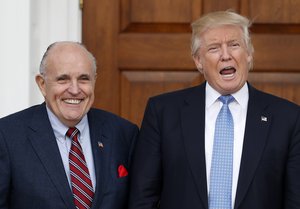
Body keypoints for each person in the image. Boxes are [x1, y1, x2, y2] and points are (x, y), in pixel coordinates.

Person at [129, 11, 300, 209]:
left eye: (234, 45)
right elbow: (142, 197)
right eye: (214, 48)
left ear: (249, 54)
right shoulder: (163, 113)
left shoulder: (288, 118)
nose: (226, 56)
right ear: (198, 61)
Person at [0, 41, 139, 209]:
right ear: (42, 85)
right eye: (63, 79)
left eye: (83, 79)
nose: (74, 90)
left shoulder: (123, 133)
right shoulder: (7, 136)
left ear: (94, 81)